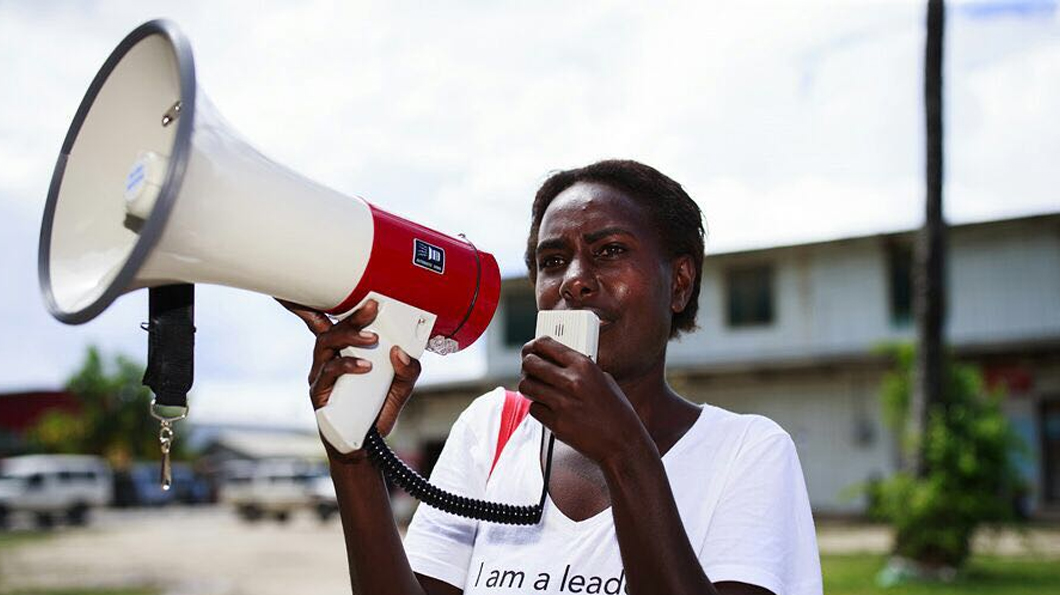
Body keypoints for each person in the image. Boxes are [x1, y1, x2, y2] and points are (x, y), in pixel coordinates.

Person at [281, 160, 822, 595]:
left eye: (610, 251)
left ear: (679, 283)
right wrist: (351, 452)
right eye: (553, 260)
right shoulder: (491, 428)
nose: (576, 282)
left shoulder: (747, 451)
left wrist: (624, 453)